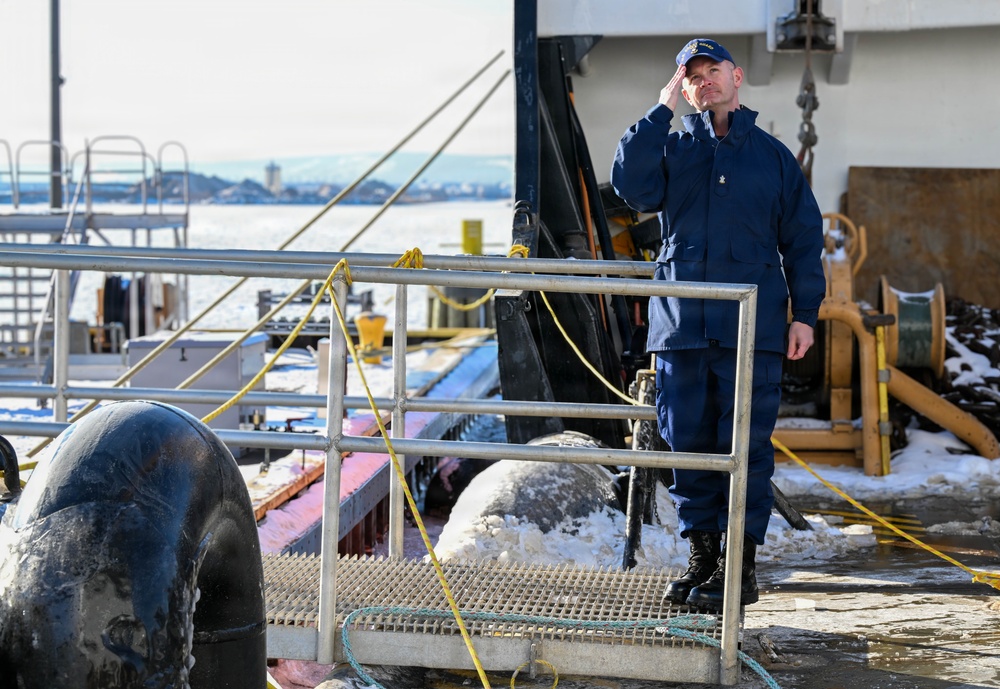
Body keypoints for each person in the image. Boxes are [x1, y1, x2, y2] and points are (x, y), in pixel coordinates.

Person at [610, 38, 825, 610]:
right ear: (683, 86)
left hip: (751, 331)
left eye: (714, 71)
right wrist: (660, 112)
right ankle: (704, 559)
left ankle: (740, 567)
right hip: (681, 327)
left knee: (745, 449)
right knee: (689, 447)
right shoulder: (673, 148)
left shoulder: (774, 157)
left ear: (737, 76)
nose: (704, 80)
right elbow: (631, 186)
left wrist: (805, 315)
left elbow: (803, 240)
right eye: (693, 75)